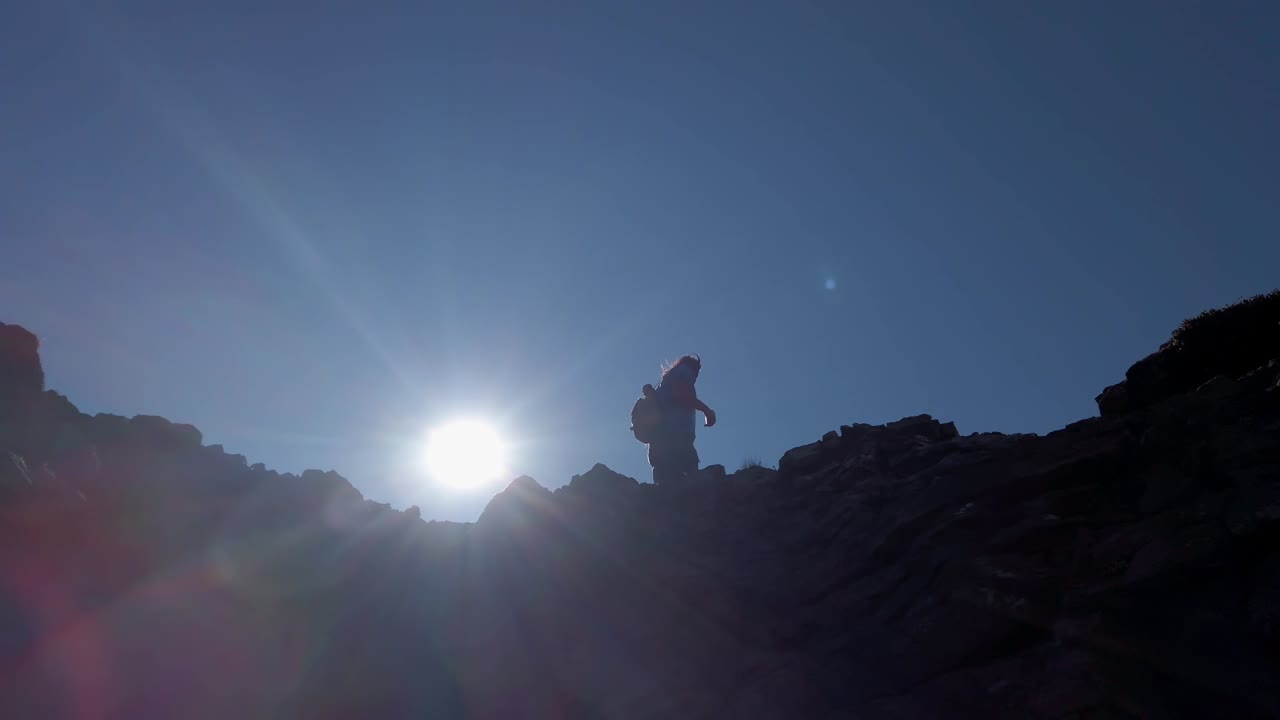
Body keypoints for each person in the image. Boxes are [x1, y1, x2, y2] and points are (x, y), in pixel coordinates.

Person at [647, 354, 716, 485]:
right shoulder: (686, 370)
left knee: (664, 484)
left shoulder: (666, 380)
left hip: (658, 439)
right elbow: (682, 395)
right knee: (691, 479)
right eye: (696, 376)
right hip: (676, 437)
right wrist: (707, 411)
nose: (695, 380)